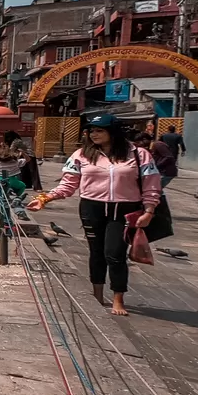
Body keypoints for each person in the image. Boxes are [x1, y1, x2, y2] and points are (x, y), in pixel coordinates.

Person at [27, 113, 160, 317]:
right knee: (96, 252)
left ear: (113, 132)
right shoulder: (82, 154)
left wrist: (149, 210)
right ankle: (97, 294)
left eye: (100, 130)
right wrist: (46, 198)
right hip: (92, 207)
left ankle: (118, 297)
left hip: (124, 209)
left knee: (114, 254)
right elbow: (69, 184)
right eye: (91, 130)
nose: (94, 134)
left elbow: (151, 183)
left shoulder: (138, 154)